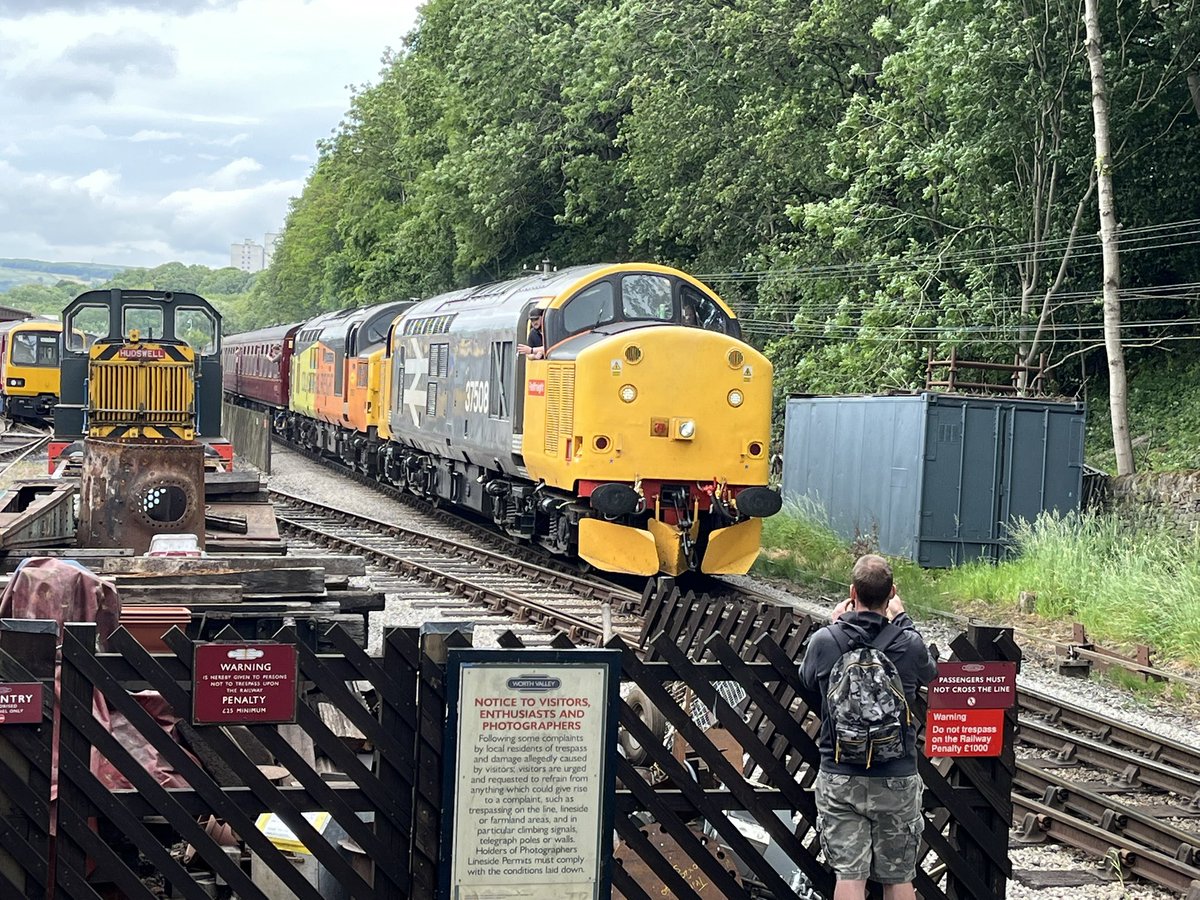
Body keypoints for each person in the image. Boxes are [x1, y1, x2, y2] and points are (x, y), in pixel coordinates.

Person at [799, 554, 938, 900]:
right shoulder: (908, 642)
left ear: (851, 592)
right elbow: (930, 672)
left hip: (841, 772)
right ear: (891, 593)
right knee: (898, 877)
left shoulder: (826, 640)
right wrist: (903, 619)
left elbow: (806, 681)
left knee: (849, 876)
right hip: (896, 774)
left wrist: (834, 624)